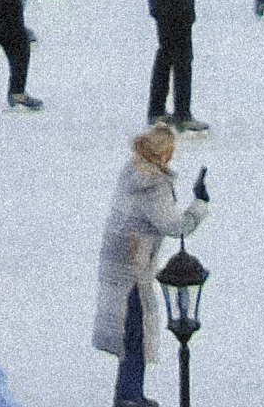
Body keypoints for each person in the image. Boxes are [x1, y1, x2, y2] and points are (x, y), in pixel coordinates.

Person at [98, 125, 205, 407]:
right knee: (135, 333)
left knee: (130, 332)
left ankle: (129, 393)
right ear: (164, 152)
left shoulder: (132, 170)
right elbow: (175, 225)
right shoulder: (153, 184)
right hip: (133, 268)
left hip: (118, 262)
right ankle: (130, 396)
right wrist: (200, 205)